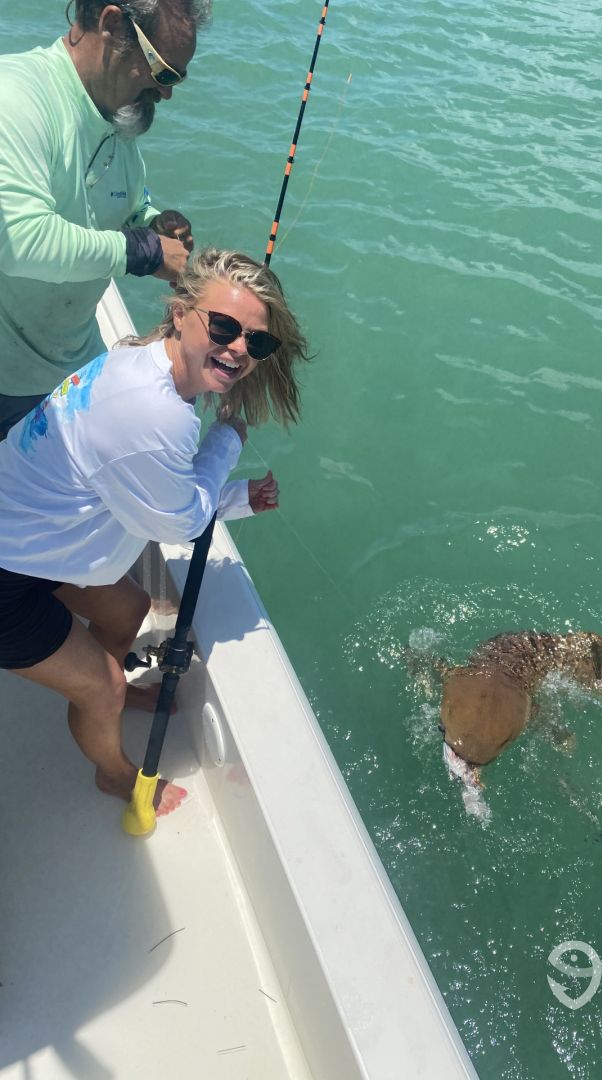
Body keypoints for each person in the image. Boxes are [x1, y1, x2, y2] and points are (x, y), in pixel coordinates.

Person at [0, 248, 310, 817]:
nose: (239, 348)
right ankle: (114, 773)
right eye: (223, 327)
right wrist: (227, 442)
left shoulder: (138, 359)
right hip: (6, 576)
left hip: (31, 543)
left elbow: (146, 491)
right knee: (104, 688)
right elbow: (181, 521)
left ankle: (102, 686)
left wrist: (235, 497)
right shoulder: (156, 414)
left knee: (129, 609)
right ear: (180, 313)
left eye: (257, 341)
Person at [0, 0, 210, 439]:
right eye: (163, 71)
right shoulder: (15, 97)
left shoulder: (116, 117)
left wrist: (153, 223)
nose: (167, 92)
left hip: (75, 362)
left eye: (177, 77)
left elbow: (126, 204)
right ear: (112, 25)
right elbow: (19, 240)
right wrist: (141, 251)